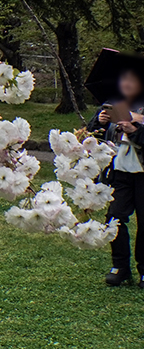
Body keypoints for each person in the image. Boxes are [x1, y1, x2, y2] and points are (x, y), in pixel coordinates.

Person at [90, 67, 144, 286]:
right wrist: (100, 123)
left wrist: (134, 130)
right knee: (115, 217)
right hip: (120, 172)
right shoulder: (114, 105)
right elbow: (93, 137)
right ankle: (120, 266)